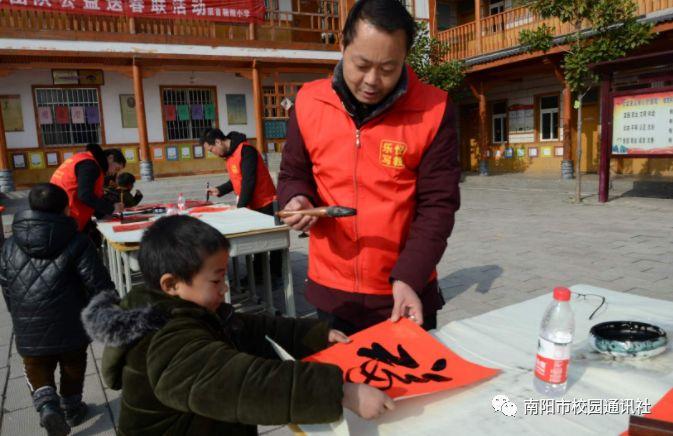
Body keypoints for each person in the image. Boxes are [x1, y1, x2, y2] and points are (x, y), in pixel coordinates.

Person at [81, 215, 394, 435]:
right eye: (217, 278)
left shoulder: (186, 309)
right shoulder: (167, 339)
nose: (226, 287)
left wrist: (314, 333)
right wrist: (340, 392)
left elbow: (249, 327)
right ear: (171, 284)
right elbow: (239, 383)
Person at [277, 0, 461, 335]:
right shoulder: (308, 102)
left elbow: (439, 205)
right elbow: (293, 174)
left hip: (402, 291)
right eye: (361, 64)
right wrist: (296, 199)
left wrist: (410, 276)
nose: (372, 81)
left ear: (405, 58)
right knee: (340, 386)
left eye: (388, 69)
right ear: (343, 44)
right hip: (333, 291)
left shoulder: (434, 109)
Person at [0, 183, 116, 436]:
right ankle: (72, 408)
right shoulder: (77, 241)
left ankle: (47, 407)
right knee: (73, 363)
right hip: (71, 320)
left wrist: (17, 315)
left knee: (35, 364)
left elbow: (6, 285)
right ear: (66, 208)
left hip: (27, 322)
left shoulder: (9, 245)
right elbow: (97, 282)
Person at [200, 128, 282, 284]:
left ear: (218, 141)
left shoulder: (246, 151)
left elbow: (249, 181)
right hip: (252, 204)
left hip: (266, 202)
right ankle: (258, 275)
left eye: (212, 149)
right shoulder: (230, 156)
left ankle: (275, 275)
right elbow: (236, 179)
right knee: (257, 241)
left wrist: (240, 209)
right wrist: (220, 189)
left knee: (273, 242)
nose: (214, 153)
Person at [51, 143, 126, 232]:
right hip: (68, 218)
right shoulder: (90, 165)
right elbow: (85, 195)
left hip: (61, 214)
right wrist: (112, 208)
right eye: (116, 169)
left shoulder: (82, 158)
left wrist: (102, 214)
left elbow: (91, 194)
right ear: (111, 158)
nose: (114, 173)